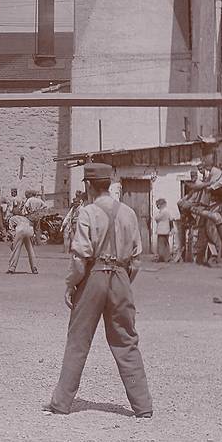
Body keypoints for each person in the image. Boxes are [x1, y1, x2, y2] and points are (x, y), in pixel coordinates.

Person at [45, 163, 152, 419]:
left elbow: (80, 258)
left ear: (89, 185)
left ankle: (61, 403)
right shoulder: (128, 213)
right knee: (126, 340)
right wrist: (123, 282)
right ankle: (143, 405)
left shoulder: (88, 212)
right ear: (110, 183)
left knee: (78, 340)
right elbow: (136, 260)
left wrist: (71, 284)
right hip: (121, 277)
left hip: (94, 275)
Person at [6, 192, 39, 275]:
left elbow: (12, 231)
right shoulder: (28, 215)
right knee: (30, 249)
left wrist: (13, 242)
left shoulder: (13, 218)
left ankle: (12, 268)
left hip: (20, 230)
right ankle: (34, 268)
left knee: (16, 249)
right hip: (29, 229)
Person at [151, 197, 175, 262]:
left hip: (161, 230)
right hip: (166, 230)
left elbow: (156, 218)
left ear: (161, 205)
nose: (157, 206)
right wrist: (171, 229)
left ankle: (161, 257)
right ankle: (167, 257)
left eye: (158, 205)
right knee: (166, 244)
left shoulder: (163, 212)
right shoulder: (168, 211)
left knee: (161, 245)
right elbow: (171, 219)